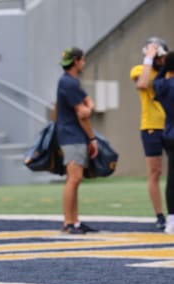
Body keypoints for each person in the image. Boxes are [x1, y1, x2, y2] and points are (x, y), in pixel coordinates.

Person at [55, 47, 99, 235]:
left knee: (75, 179)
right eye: (83, 60)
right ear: (77, 61)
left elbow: (89, 103)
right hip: (72, 135)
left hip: (73, 134)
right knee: (74, 178)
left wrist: (89, 107)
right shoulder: (69, 83)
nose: (84, 63)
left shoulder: (71, 82)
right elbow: (83, 113)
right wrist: (92, 138)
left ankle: (75, 221)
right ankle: (68, 222)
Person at [130, 37, 169, 231]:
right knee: (155, 172)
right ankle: (159, 215)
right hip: (151, 126)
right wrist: (149, 57)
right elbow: (143, 84)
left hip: (169, 125)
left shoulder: (168, 72)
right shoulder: (140, 69)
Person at [153, 51, 174, 234]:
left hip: (169, 135)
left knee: (171, 178)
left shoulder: (163, 85)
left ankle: (172, 219)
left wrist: (164, 65)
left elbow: (155, 81)